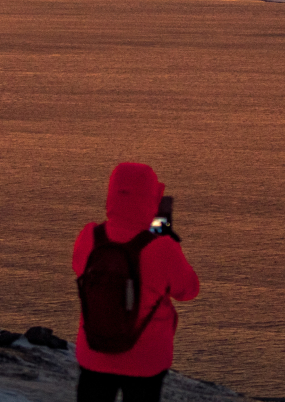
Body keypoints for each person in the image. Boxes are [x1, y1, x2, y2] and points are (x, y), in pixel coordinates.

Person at [72, 161, 200, 402]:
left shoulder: (89, 235)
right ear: (151, 197)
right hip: (146, 360)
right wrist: (167, 241)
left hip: (94, 352)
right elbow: (189, 290)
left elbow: (79, 268)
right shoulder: (162, 247)